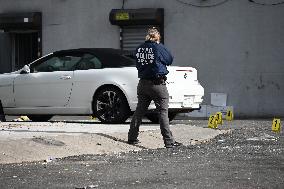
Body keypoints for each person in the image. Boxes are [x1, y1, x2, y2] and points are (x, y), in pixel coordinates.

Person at [128, 27, 182, 148]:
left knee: (139, 112)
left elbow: (136, 61)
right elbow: (169, 59)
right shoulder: (158, 47)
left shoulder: (139, 48)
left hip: (142, 84)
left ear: (147, 36)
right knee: (163, 112)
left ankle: (132, 138)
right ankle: (169, 142)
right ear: (157, 37)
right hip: (157, 84)